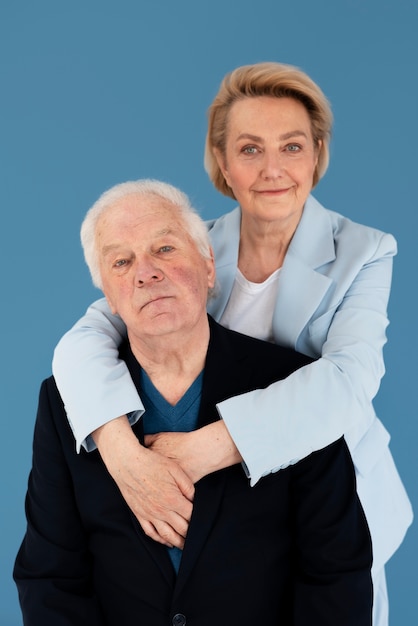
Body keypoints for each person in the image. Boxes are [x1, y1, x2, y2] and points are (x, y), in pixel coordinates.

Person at [51, 63, 413, 625]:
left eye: (292, 146)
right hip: (217, 500)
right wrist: (122, 455)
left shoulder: (365, 252)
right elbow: (84, 341)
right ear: (222, 162)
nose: (273, 169)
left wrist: (204, 449)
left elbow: (349, 381)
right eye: (250, 149)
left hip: (321, 483)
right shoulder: (187, 245)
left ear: (316, 154)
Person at [14, 180, 373, 625]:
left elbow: (335, 574)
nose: (145, 272)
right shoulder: (61, 401)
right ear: (107, 295)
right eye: (122, 261)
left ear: (208, 267)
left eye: (164, 249)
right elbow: (50, 577)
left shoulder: (295, 386)